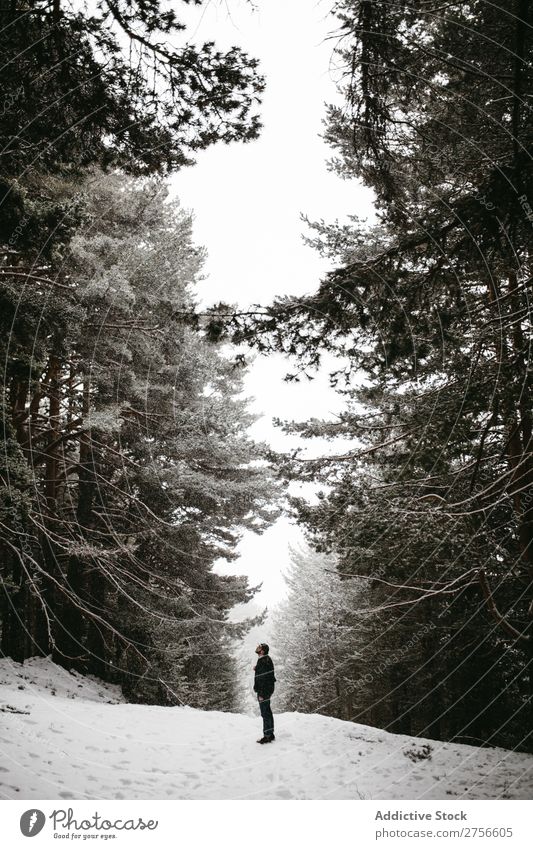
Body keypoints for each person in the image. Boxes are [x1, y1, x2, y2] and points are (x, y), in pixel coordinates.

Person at [253, 643, 276, 744]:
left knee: (265, 713)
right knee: (268, 712)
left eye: (259, 647)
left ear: (262, 651)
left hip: (264, 691)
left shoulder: (263, 661)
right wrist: (257, 668)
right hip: (268, 689)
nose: (257, 648)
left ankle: (267, 736)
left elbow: (263, 679)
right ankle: (270, 734)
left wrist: (261, 693)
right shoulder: (265, 659)